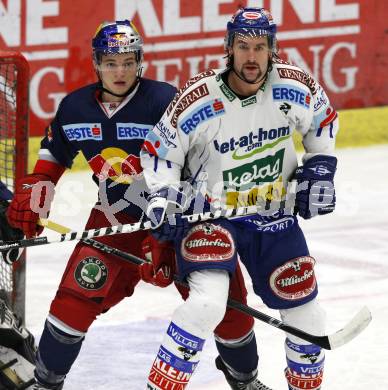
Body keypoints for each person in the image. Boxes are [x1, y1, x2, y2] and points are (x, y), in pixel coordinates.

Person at [5, 19, 257, 390]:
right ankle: (46, 383)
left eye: (127, 61)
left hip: (183, 216)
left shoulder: (164, 100)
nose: (119, 71)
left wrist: (167, 232)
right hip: (116, 215)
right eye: (110, 62)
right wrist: (38, 189)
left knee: (228, 308)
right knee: (74, 299)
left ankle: (245, 380)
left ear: (139, 61)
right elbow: (53, 158)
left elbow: (199, 165)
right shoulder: (75, 109)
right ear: (97, 63)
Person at [141, 6, 338, 390]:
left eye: (260, 47)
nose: (251, 56)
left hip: (273, 214)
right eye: (243, 46)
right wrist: (164, 197)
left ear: (272, 49)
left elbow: (323, 124)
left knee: (308, 317)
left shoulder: (295, 86)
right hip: (208, 216)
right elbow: (159, 154)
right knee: (206, 305)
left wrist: (320, 170)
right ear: (228, 47)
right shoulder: (198, 98)